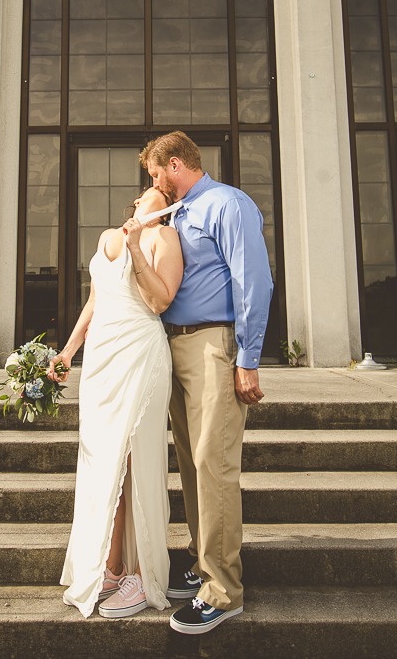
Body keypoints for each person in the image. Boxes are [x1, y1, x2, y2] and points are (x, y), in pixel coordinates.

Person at [141, 131, 273, 635]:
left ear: (175, 165)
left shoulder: (226, 203)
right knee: (192, 464)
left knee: (212, 463)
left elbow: (253, 280)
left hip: (214, 345)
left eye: (156, 175)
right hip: (173, 346)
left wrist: (248, 358)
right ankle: (201, 565)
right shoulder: (176, 214)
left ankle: (224, 591)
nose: (155, 185)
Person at [50, 186, 183, 619]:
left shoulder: (164, 239)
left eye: (163, 194)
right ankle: (109, 566)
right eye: (150, 191)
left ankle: (142, 575)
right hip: (103, 359)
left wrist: (135, 246)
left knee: (137, 459)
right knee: (105, 461)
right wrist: (68, 352)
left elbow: (160, 300)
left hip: (140, 353)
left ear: (166, 209)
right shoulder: (107, 235)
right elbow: (95, 300)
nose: (154, 196)